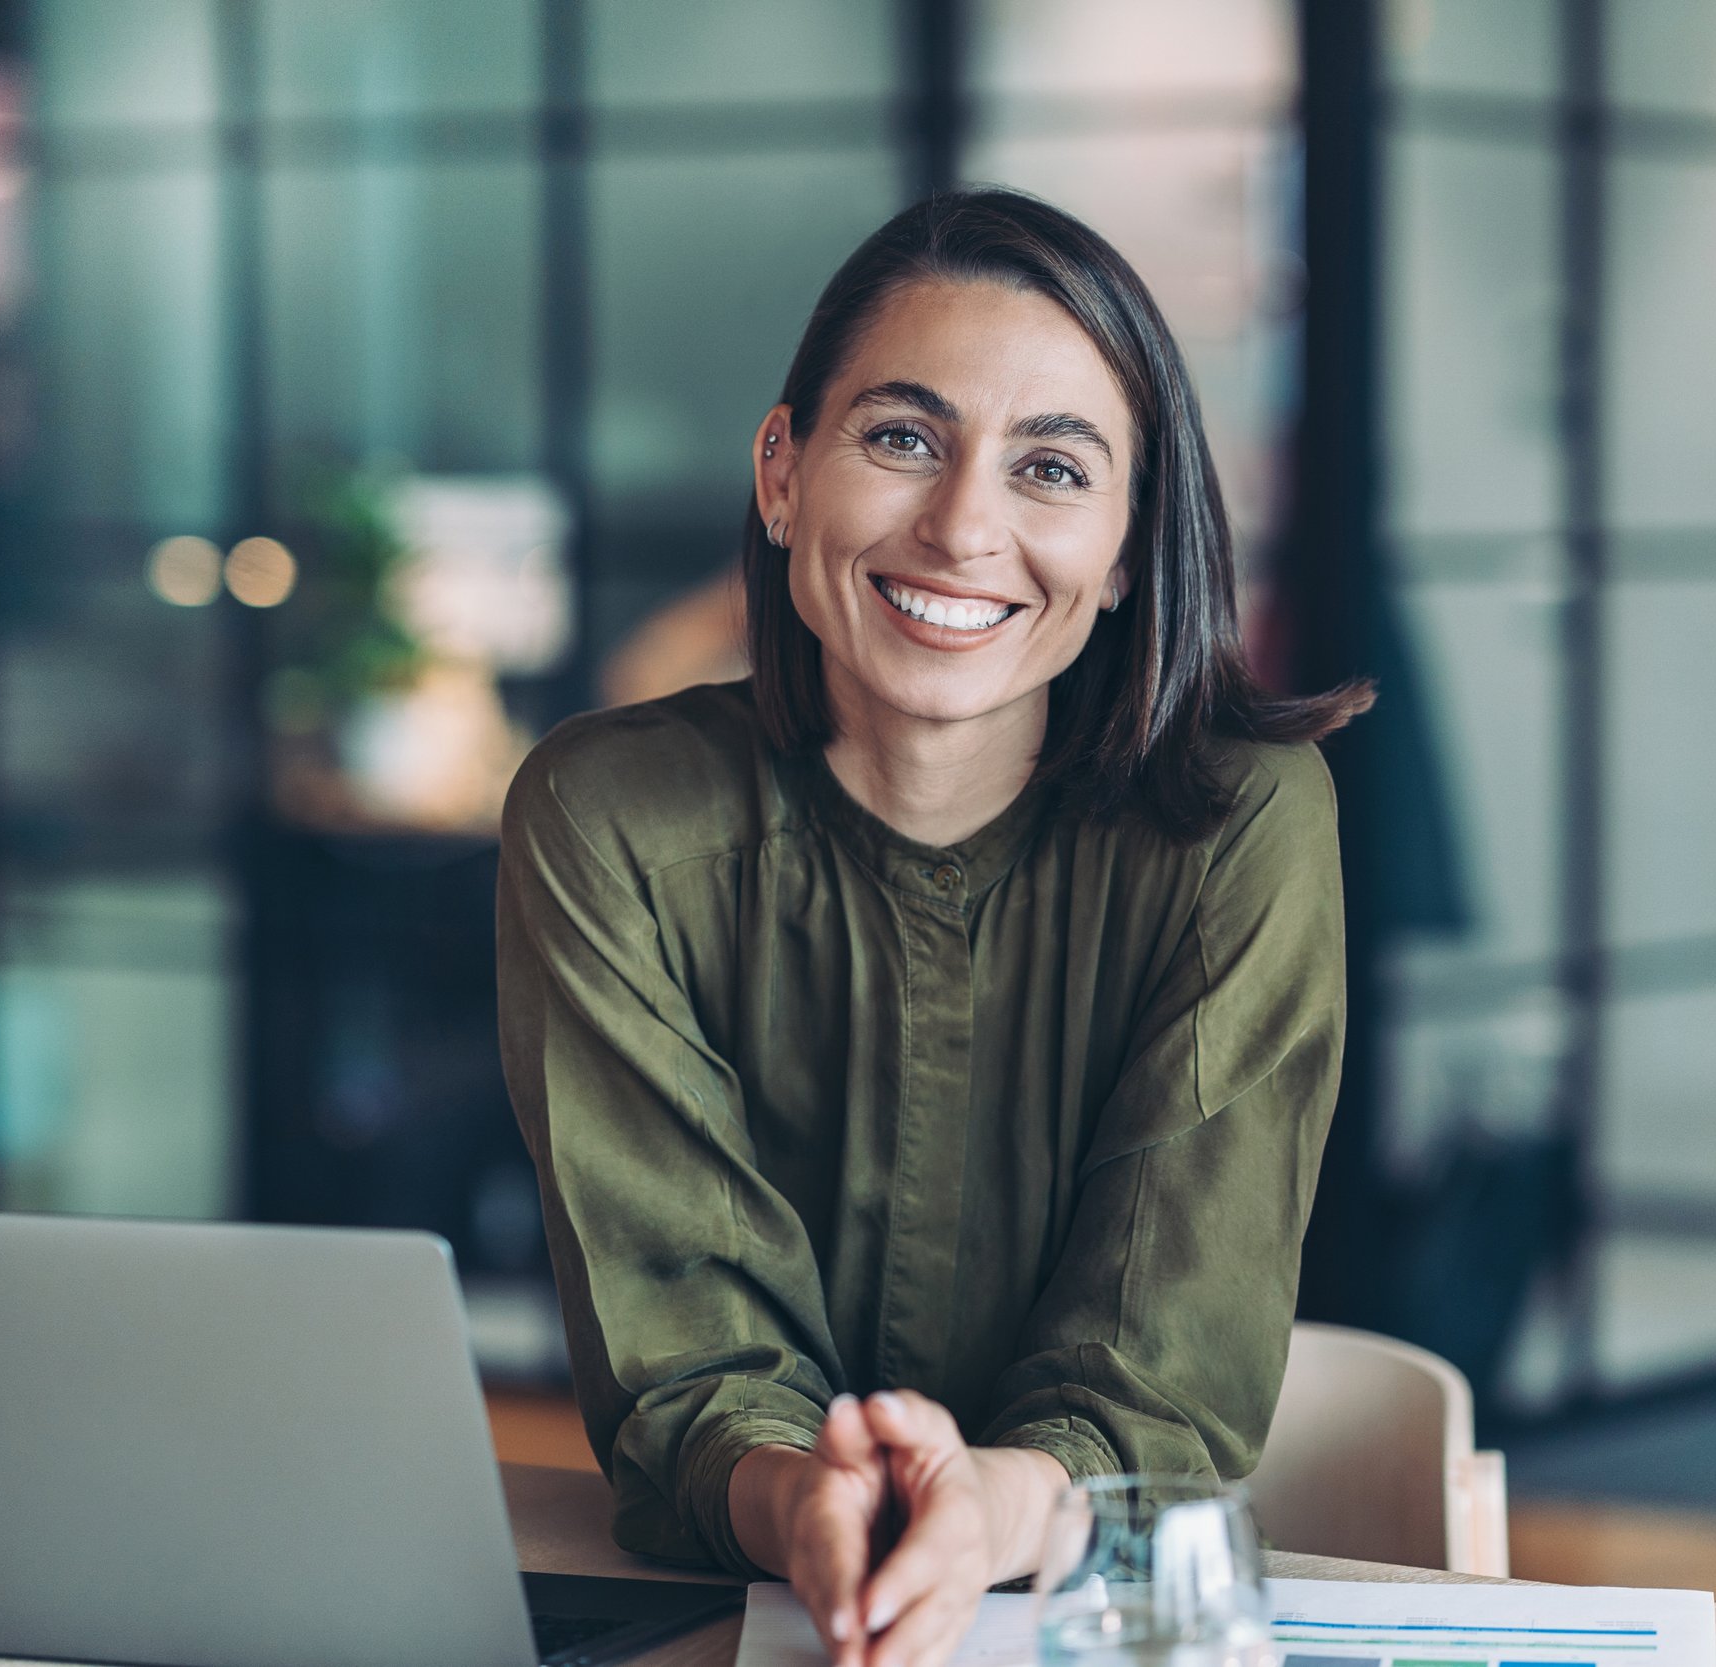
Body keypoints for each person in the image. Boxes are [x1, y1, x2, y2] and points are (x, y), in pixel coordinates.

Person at [498, 188, 1370, 1667]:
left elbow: (1158, 1373)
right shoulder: (608, 816)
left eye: (1053, 468)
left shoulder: (1242, 825)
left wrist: (994, 1510)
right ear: (783, 476)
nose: (965, 527)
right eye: (902, 438)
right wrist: (805, 1504)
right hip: (745, 1614)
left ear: (1131, 546)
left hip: (1095, 1619)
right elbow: (686, 1348)